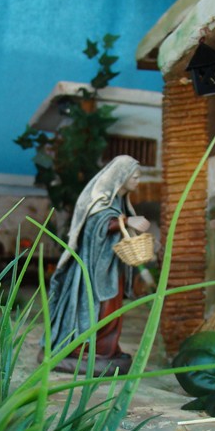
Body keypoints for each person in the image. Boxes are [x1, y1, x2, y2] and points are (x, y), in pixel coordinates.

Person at [43, 155, 150, 375]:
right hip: (91, 269)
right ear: (121, 176)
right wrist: (126, 221)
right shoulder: (100, 198)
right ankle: (84, 349)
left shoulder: (119, 200)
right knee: (98, 308)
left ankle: (105, 349)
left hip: (111, 266)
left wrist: (130, 226)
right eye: (135, 177)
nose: (138, 181)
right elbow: (94, 225)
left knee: (113, 308)